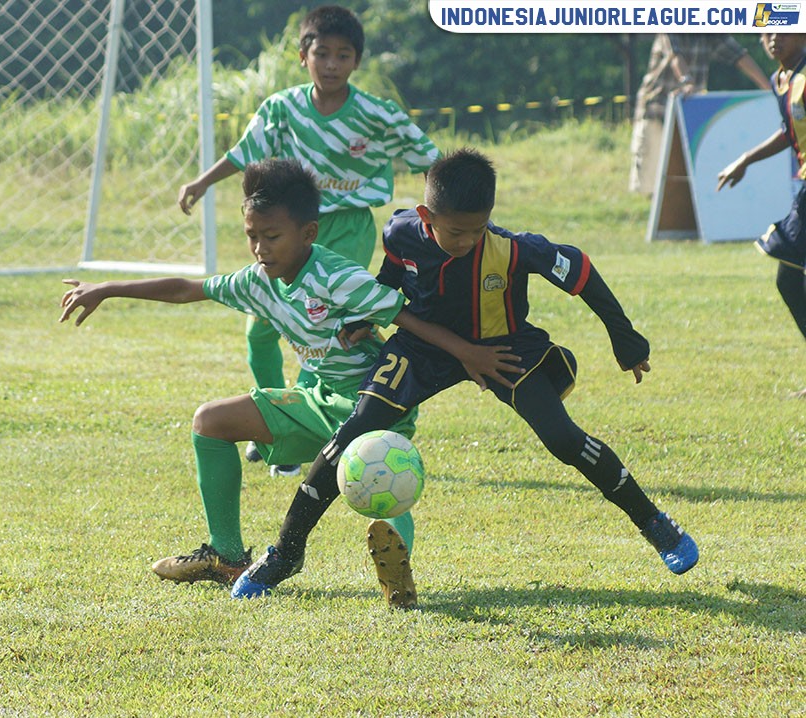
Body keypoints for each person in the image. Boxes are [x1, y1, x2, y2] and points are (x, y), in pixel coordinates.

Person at [233, 148, 700, 609]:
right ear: (426, 215)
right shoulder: (400, 231)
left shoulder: (515, 249)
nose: (468, 241)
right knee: (355, 430)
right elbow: (391, 276)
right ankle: (286, 551)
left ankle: (655, 523)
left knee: (561, 437)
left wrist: (626, 338)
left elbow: (581, 271)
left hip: (504, 348)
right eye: (456, 232)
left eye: (478, 230)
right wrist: (363, 316)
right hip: (423, 348)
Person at [61, 159, 520, 588]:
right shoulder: (257, 280)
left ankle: (399, 569)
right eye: (252, 236)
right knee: (210, 422)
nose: (260, 249)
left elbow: (407, 316)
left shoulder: (336, 276)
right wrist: (109, 288)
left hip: (374, 401)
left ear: (308, 233)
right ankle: (226, 557)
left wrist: (468, 355)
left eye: (272, 236)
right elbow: (187, 289)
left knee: (378, 476)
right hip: (316, 399)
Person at [177, 5, 441, 475]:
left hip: (347, 225)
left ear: (356, 61)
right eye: (323, 53)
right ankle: (279, 415)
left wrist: (439, 217)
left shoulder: (376, 114)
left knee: (323, 323)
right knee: (258, 328)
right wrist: (202, 182)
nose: (332, 64)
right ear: (304, 56)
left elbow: (429, 157)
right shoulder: (282, 108)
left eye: (343, 55)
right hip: (291, 231)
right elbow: (246, 151)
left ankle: (325, 432)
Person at [716, 33, 806, 399]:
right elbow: (790, 130)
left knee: (789, 275)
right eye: (765, 33)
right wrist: (745, 160)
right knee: (789, 279)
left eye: (781, 31)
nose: (771, 40)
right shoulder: (781, 80)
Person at [631, 34, 769, 195]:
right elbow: (675, 56)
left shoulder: (710, 32)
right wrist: (687, 81)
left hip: (689, 112)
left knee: (685, 179)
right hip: (656, 109)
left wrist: (768, 88)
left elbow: (740, 56)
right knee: (648, 181)